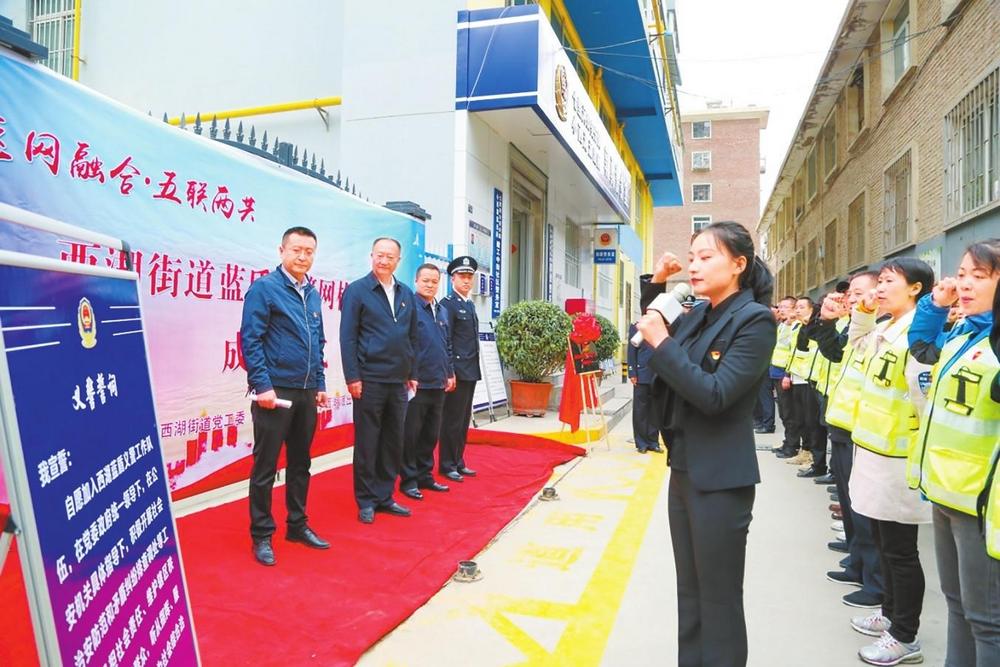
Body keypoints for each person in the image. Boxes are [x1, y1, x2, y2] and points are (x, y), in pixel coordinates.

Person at [636, 221, 776, 667]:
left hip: (721, 479)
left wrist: (662, 343)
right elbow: (656, 329)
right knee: (691, 592)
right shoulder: (700, 313)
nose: (694, 267)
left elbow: (715, 394)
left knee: (718, 599)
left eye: (706, 257)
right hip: (685, 467)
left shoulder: (754, 321)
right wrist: (657, 284)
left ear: (738, 264)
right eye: (692, 257)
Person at [907, 239, 1000, 667]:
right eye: (961, 274)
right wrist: (934, 305)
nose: (964, 284)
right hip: (945, 492)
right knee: (957, 604)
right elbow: (922, 347)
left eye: (979, 276)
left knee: (987, 621)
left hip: (981, 504)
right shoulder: (964, 333)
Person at [846, 258, 935, 666]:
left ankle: (905, 635)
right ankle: (889, 613)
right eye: (878, 281)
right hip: (875, 453)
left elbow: (923, 400)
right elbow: (856, 344)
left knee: (900, 551)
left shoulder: (916, 335)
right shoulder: (887, 328)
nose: (879, 289)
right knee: (883, 543)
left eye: (888, 282)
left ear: (915, 288)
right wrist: (865, 312)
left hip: (899, 458)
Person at [240, 226, 330, 566]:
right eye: (296, 250)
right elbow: (251, 340)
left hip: (307, 392)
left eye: (309, 251)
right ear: (282, 251)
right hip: (275, 392)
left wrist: (320, 383)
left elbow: (318, 342)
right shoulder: (264, 289)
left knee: (301, 462)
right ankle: (262, 533)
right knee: (266, 465)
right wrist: (262, 385)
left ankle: (297, 524)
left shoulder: (313, 293)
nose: (303, 257)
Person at [813, 271, 885, 607]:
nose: (851, 299)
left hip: (863, 430)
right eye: (850, 294)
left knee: (865, 511)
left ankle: (873, 579)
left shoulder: (882, 333)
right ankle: (857, 562)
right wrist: (827, 322)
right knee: (850, 502)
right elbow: (834, 354)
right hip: (843, 424)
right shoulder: (857, 329)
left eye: (858, 293)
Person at [340, 237, 419, 524]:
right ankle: (366, 499)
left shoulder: (405, 293)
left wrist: (413, 373)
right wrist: (352, 376)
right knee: (367, 441)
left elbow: (413, 336)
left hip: (398, 380)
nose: (384, 261)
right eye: (379, 255)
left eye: (389, 257)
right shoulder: (357, 291)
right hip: (369, 379)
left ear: (399, 260)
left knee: (393, 440)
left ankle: (385, 496)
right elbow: (348, 337)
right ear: (371, 256)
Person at [399, 264, 455, 500]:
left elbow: (447, 345)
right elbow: (403, 344)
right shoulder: (409, 307)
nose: (430, 285)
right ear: (416, 281)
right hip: (417, 383)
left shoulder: (441, 310)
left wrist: (450, 373)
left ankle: (425, 476)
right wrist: (407, 375)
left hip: (438, 382)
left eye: (434, 281)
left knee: (430, 434)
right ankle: (409, 480)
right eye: (425, 281)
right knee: (411, 434)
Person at [438, 256, 482, 482]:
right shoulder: (448, 304)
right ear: (452, 278)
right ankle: (447, 464)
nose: (466, 281)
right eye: (462, 276)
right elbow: (446, 340)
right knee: (452, 420)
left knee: (463, 419)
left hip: (470, 369)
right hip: (456, 371)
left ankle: (458, 460)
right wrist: (449, 371)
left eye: (469, 277)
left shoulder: (469, 304)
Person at [770, 296, 800, 453]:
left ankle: (792, 445)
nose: (781, 310)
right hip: (776, 370)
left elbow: (792, 350)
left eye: (786, 307)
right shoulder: (782, 325)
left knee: (789, 411)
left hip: (784, 372)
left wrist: (787, 374)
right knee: (783, 410)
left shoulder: (795, 326)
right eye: (780, 307)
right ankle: (787, 442)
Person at [627, 321, 663, 453]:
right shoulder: (637, 326)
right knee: (640, 410)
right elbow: (631, 351)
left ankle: (653, 441)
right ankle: (641, 442)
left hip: (657, 374)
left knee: (655, 409)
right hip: (641, 374)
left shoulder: (660, 325)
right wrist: (632, 372)